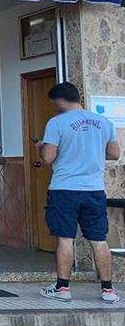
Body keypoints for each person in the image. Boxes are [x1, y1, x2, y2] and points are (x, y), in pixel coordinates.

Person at [35, 82, 119, 304]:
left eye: (54, 102)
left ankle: (62, 288)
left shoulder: (56, 123)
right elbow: (114, 153)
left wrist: (41, 147)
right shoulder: (104, 122)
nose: (54, 106)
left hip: (65, 189)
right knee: (99, 240)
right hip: (94, 190)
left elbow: (49, 157)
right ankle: (108, 291)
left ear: (60, 100)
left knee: (65, 239)